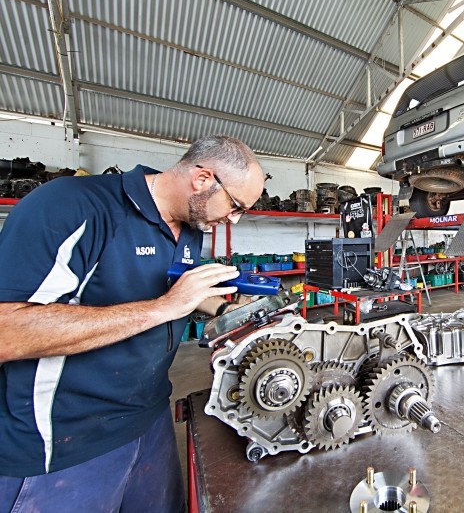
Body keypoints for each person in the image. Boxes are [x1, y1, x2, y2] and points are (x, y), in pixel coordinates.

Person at [0, 135, 266, 511]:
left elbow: (169, 287)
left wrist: (228, 311)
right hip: (65, 444)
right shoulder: (72, 206)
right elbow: (7, 331)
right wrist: (163, 308)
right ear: (203, 179)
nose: (234, 218)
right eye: (236, 205)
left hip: (150, 420)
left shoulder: (189, 228)